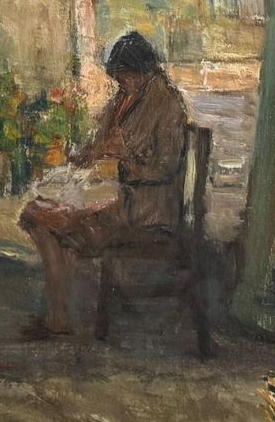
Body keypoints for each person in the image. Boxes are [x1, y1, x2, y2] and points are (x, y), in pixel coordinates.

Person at [18, 31, 189, 336]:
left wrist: (124, 162)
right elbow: (99, 142)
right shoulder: (124, 98)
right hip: (110, 196)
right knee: (35, 216)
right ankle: (60, 313)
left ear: (143, 70)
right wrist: (81, 156)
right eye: (118, 77)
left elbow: (165, 168)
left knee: (59, 222)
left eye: (124, 76)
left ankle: (62, 316)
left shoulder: (167, 105)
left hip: (145, 207)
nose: (119, 83)